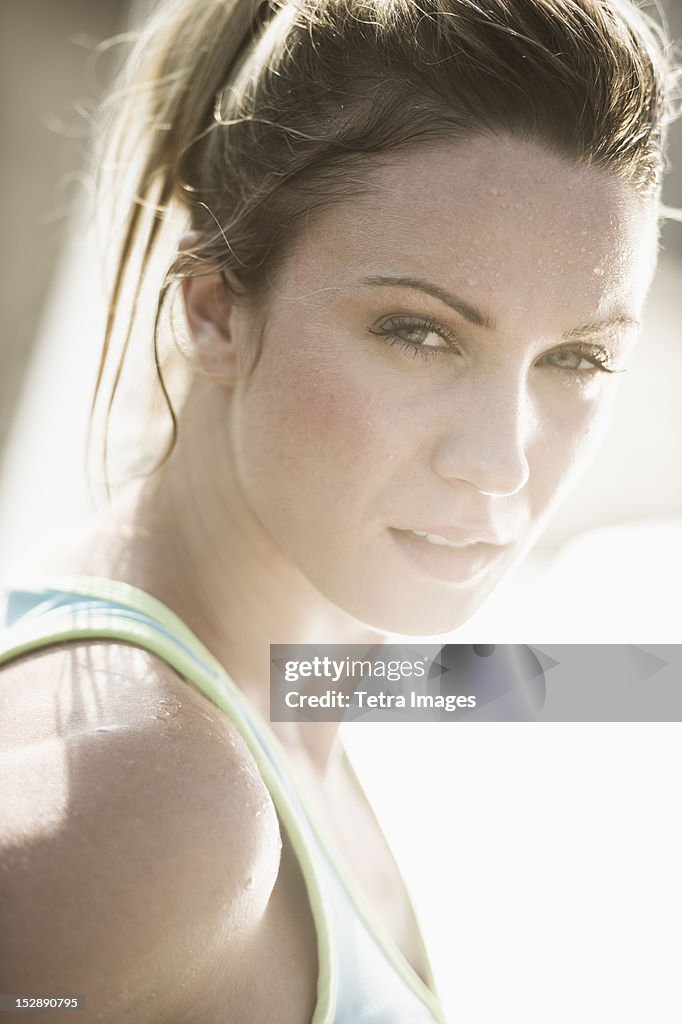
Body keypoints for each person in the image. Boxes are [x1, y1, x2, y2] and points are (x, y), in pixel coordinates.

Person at [0, 0, 677, 1020]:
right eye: (417, 333)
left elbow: (544, 685)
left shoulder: (302, 663)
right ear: (214, 310)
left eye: (576, 357)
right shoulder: (152, 807)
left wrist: (640, 682)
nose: (499, 464)